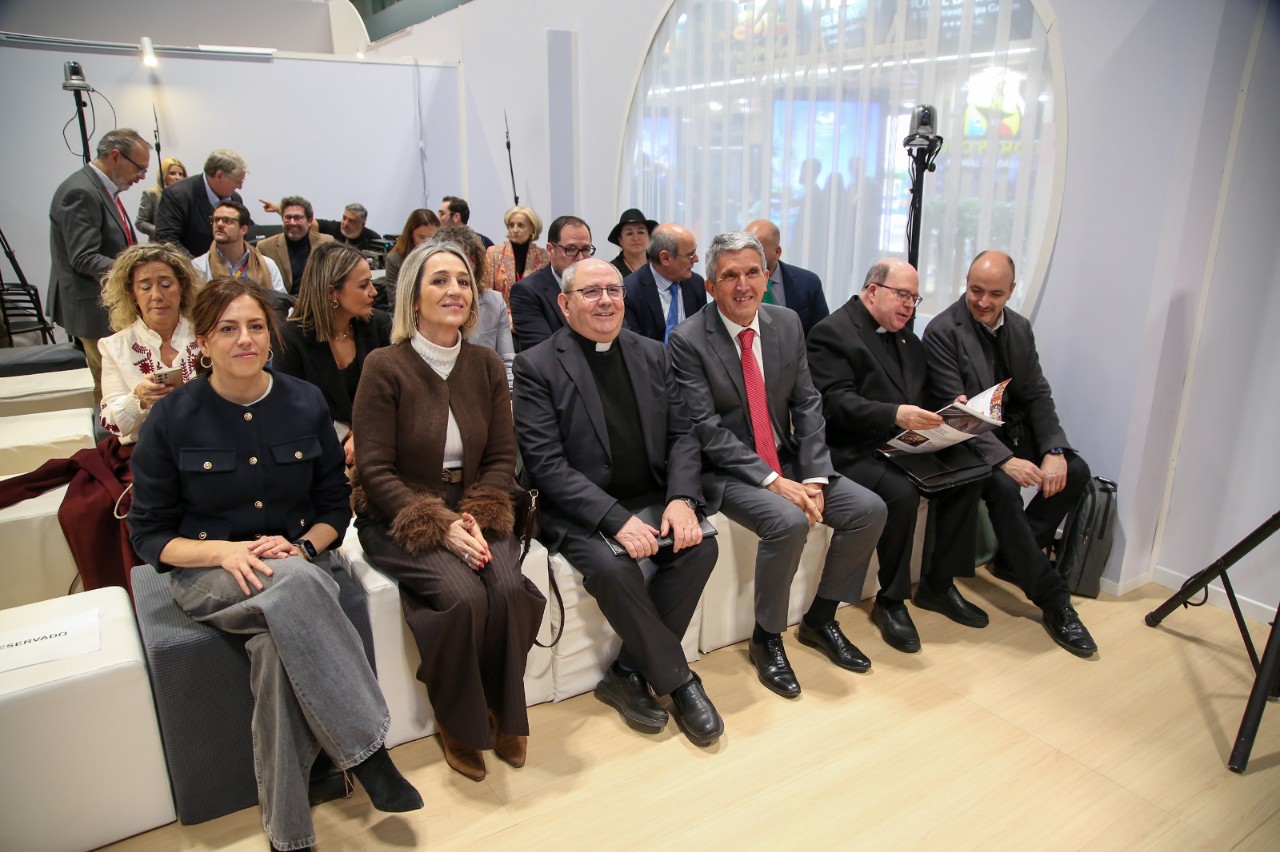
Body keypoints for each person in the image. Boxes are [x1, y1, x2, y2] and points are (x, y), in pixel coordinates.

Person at [128, 276, 422, 852]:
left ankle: (289, 833)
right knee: (291, 586)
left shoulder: (304, 401)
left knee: (272, 646)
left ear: (272, 335)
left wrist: (304, 548)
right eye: (227, 329)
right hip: (211, 573)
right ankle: (367, 751)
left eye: (256, 326)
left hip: (299, 562)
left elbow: (334, 507)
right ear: (203, 341)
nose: (245, 339)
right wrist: (223, 551)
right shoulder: (171, 418)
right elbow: (149, 535)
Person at [352, 242, 545, 783]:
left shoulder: (485, 364)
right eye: (439, 280)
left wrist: (475, 514)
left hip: (479, 505)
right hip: (400, 512)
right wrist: (440, 525)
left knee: (508, 590)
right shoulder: (385, 366)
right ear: (413, 298)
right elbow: (374, 469)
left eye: (462, 280)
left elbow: (503, 456)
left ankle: (504, 709)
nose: (455, 290)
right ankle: (458, 718)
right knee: (463, 597)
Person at [513, 258, 724, 746]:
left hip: (650, 495)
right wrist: (614, 518)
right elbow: (546, 464)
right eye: (591, 292)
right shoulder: (536, 365)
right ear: (565, 303)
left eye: (614, 289)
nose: (605, 300)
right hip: (580, 509)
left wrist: (681, 499)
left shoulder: (652, 352)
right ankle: (680, 682)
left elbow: (682, 434)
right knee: (614, 569)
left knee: (701, 548)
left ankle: (627, 672)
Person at [669, 231, 887, 698]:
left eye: (753, 272)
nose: (743, 285)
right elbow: (706, 429)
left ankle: (821, 619)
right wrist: (772, 481)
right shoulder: (688, 340)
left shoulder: (786, 323)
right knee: (787, 521)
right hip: (727, 471)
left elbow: (808, 403)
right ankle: (766, 638)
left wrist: (814, 475)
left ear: (767, 277)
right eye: (730, 276)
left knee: (868, 509)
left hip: (787, 456)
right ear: (710, 286)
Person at [921, 250, 1098, 657]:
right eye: (975, 290)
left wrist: (1054, 449)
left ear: (1012, 291)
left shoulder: (1019, 327)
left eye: (995, 294)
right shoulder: (943, 331)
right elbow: (955, 412)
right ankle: (1053, 600)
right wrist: (1004, 459)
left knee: (1076, 470)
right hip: (967, 439)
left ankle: (1015, 558)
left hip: (1011, 430)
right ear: (966, 284)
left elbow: (1037, 394)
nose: (983, 302)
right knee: (1002, 486)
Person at [807, 259, 987, 653]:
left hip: (901, 444)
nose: (909, 305)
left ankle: (939, 584)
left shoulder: (907, 339)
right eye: (902, 295)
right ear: (873, 291)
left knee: (969, 474)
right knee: (901, 493)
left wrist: (951, 408)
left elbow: (922, 394)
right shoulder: (831, 332)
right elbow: (833, 404)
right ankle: (891, 600)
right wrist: (894, 414)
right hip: (849, 448)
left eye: (914, 298)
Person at [47, 128, 152, 403]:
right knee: (111, 390)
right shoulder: (81, 192)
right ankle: (109, 431)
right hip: (93, 309)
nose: (142, 176)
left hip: (106, 305)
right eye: (140, 168)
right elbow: (83, 257)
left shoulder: (101, 188)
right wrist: (137, 273)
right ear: (116, 156)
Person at [272, 241, 390, 464]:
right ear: (331, 292)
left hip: (378, 441)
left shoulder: (378, 325)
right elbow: (293, 411)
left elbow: (391, 395)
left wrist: (363, 434)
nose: (374, 292)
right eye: (363, 285)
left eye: (371, 283)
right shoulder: (290, 338)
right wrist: (347, 435)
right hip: (318, 449)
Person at [97, 243, 203, 445]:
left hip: (206, 444)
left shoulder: (207, 334)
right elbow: (112, 424)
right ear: (132, 293)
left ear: (182, 287)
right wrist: (138, 399)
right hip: (145, 449)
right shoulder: (114, 346)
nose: (156, 296)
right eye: (145, 287)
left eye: (166, 285)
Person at [432, 224, 515, 391]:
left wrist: (510, 397)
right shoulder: (430, 304)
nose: (462, 266)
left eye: (467, 259)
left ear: (475, 262)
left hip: (485, 391)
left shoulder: (494, 302)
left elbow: (507, 360)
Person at [509, 215, 594, 351]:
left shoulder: (600, 286)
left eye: (585, 249)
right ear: (550, 250)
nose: (580, 258)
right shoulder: (527, 292)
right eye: (570, 249)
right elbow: (543, 351)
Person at [622, 223, 709, 344]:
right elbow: (634, 345)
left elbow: (703, 334)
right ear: (665, 258)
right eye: (690, 255)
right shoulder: (630, 291)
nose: (696, 259)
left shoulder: (696, 284)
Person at [154, 148, 247, 257]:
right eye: (237, 181)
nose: (240, 187)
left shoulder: (235, 198)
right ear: (219, 176)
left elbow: (244, 231)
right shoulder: (177, 195)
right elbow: (167, 240)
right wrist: (198, 266)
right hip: (190, 264)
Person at [745, 219, 830, 336]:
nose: (748, 255)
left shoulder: (808, 283)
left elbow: (822, 335)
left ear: (777, 252)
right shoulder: (736, 283)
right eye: (745, 248)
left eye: (757, 249)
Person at [191, 201, 285, 294]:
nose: (219, 224)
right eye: (216, 219)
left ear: (243, 229)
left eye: (227, 220)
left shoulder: (267, 265)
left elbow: (281, 301)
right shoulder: (198, 267)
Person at [255, 195, 335, 295]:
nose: (292, 223)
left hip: (319, 300)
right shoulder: (265, 247)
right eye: (288, 218)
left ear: (309, 221)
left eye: (297, 218)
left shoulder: (326, 242)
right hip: (282, 302)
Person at [484, 205, 549, 304]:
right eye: (511, 225)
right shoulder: (494, 253)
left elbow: (546, 293)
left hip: (532, 311)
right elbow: (487, 293)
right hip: (501, 312)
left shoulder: (543, 256)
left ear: (532, 228)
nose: (515, 230)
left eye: (520, 225)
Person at [383, 208, 440, 300]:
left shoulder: (444, 256)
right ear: (410, 235)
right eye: (421, 237)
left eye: (433, 237)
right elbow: (395, 300)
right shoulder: (395, 259)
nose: (428, 243)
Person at [135, 156, 186, 238]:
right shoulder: (151, 194)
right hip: (160, 242)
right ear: (163, 175)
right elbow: (140, 222)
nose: (178, 177)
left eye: (181, 174)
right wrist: (160, 231)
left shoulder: (187, 197)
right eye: (172, 173)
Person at [607, 208, 657, 279]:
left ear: (649, 237)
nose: (636, 238)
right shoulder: (612, 270)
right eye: (629, 233)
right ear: (620, 240)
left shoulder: (660, 265)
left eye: (641, 232)